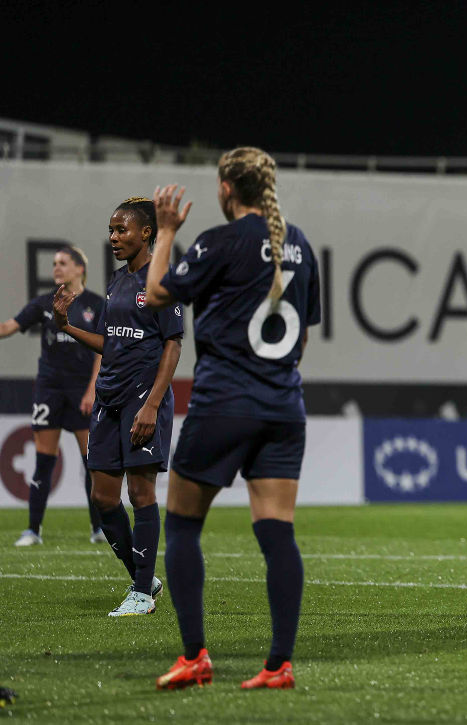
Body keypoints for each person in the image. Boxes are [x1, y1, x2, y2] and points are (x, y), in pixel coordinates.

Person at [144, 147, 321, 690]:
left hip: (223, 404)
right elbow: (305, 333)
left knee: (182, 526)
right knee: (277, 534)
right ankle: (278, 665)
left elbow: (154, 294)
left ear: (226, 189)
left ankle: (195, 656)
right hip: (284, 408)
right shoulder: (302, 244)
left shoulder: (218, 242)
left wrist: (168, 231)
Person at [54, 198, 184, 616]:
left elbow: (173, 343)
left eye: (122, 230)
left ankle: (142, 593)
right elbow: (110, 344)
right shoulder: (116, 281)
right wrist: (67, 327)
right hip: (109, 397)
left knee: (139, 491)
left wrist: (153, 405)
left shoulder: (161, 280)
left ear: (146, 233)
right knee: (104, 496)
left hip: (142, 397)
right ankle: (143, 578)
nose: (113, 237)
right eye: (111, 230)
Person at [1, 247, 105, 546]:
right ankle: (33, 530)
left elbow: (102, 348)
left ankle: (98, 528)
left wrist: (92, 389)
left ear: (79, 269)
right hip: (49, 389)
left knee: (92, 462)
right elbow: (9, 326)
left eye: (63, 263)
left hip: (81, 390)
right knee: (44, 461)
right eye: (54, 263)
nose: (56, 268)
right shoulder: (45, 303)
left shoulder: (96, 305)